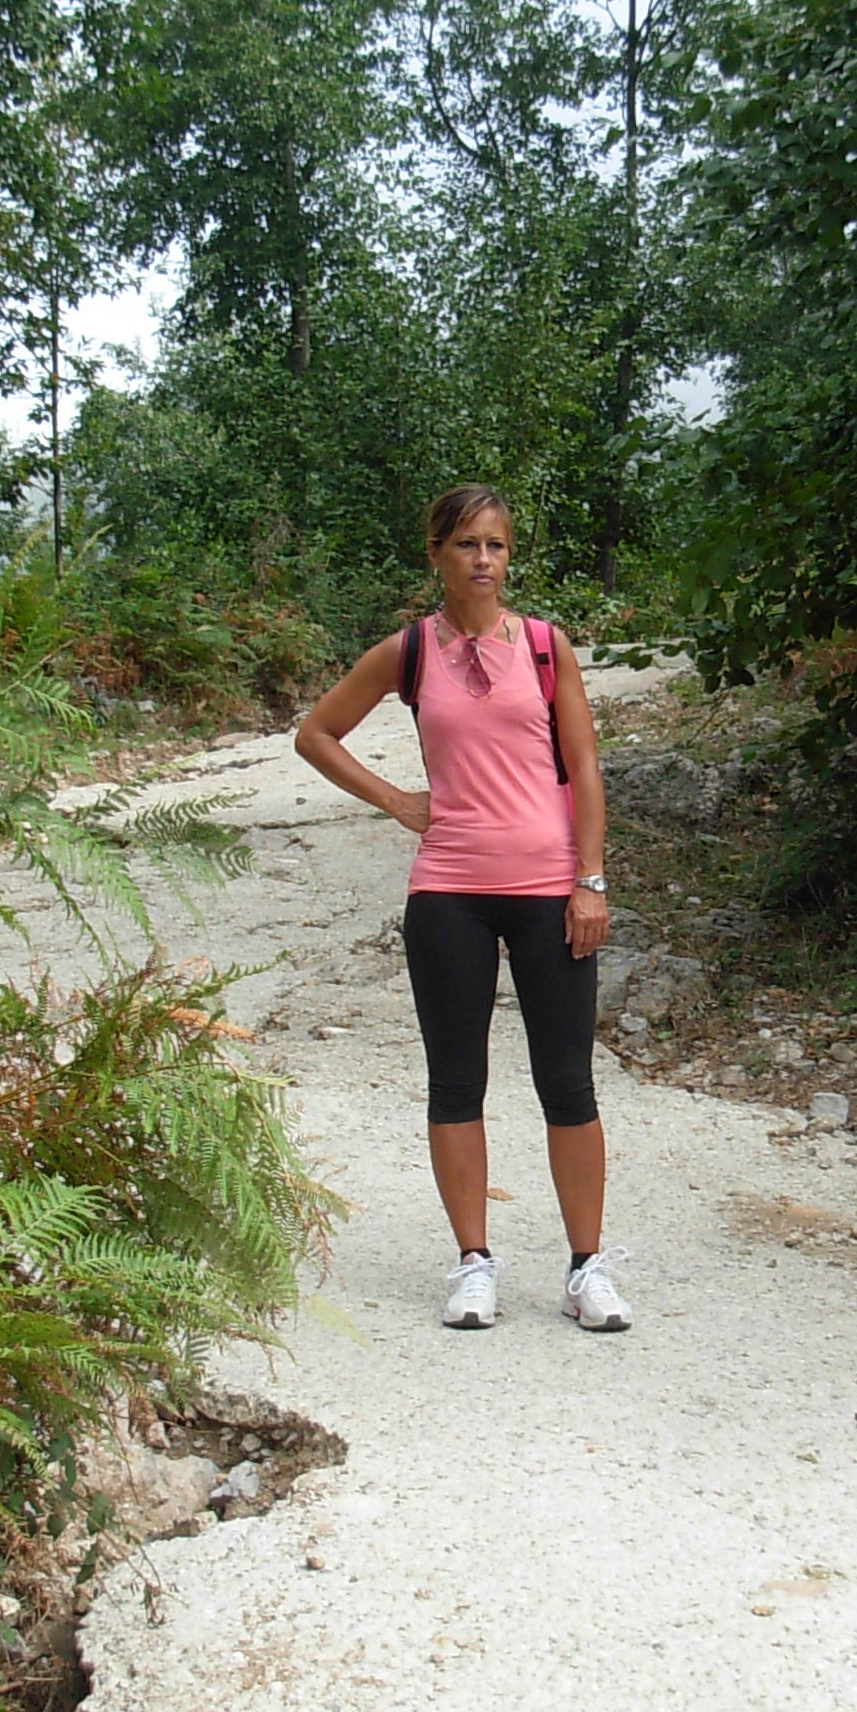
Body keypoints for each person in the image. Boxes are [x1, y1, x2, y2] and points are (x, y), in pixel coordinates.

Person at [294, 484, 629, 1334]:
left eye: (496, 545)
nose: (483, 559)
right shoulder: (409, 652)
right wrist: (396, 800)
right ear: (437, 554)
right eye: (466, 544)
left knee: (567, 1081)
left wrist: (590, 880)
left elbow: (585, 767)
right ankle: (474, 1264)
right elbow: (316, 734)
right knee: (456, 1080)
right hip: (449, 891)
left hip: (549, 889)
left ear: (508, 556)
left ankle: (586, 1269)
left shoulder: (546, 647)